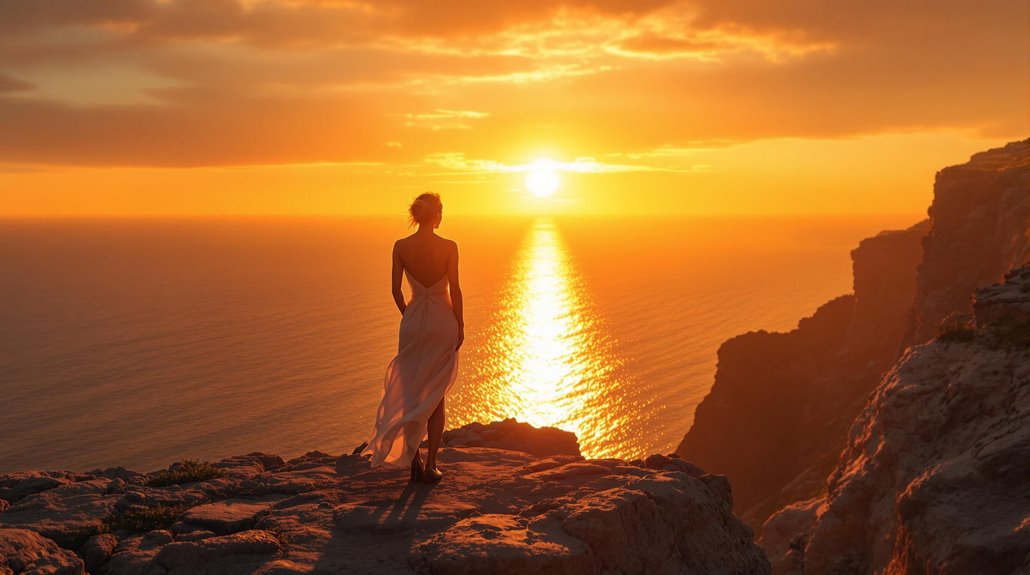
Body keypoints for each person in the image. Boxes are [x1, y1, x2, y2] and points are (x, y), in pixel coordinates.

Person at [361, 192, 464, 483]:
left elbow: (395, 290)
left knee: (410, 390)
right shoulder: (449, 246)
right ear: (437, 215)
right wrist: (461, 323)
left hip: (413, 319)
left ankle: (414, 462)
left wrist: (409, 314)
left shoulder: (401, 246)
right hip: (443, 320)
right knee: (436, 393)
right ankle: (431, 464)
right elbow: (455, 289)